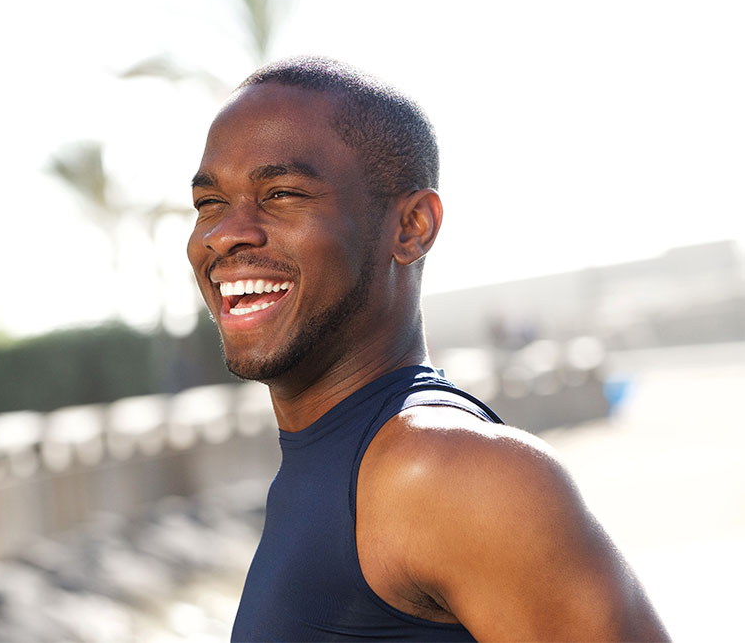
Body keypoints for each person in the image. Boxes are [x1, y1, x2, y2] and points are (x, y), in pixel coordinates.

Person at [186, 56, 669, 642]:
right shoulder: (331, 462)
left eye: (281, 193)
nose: (224, 232)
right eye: (209, 203)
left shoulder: (449, 475)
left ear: (412, 226)